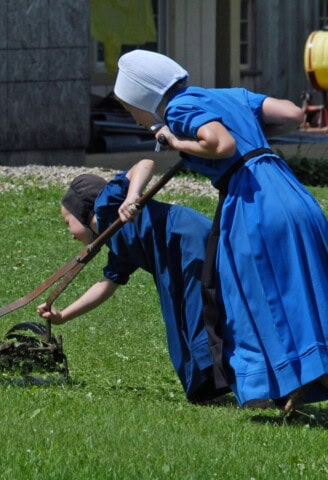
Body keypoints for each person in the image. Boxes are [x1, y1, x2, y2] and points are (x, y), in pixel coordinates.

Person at [113, 49, 328, 415]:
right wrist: (250, 132)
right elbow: (292, 114)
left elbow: (220, 144)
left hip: (253, 202)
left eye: (128, 106)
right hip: (292, 193)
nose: (132, 115)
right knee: (305, 285)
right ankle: (306, 373)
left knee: (249, 293)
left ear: (142, 97)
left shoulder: (178, 110)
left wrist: (175, 140)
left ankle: (277, 380)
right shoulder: (226, 96)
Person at [37, 159, 230, 403]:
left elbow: (146, 163)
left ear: (80, 210)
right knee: (179, 323)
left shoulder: (107, 204)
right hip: (173, 261)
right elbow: (106, 285)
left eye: (68, 223)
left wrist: (132, 196)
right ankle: (208, 386)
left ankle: (234, 377)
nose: (70, 233)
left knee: (197, 315)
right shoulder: (116, 243)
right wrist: (63, 315)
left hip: (187, 241)